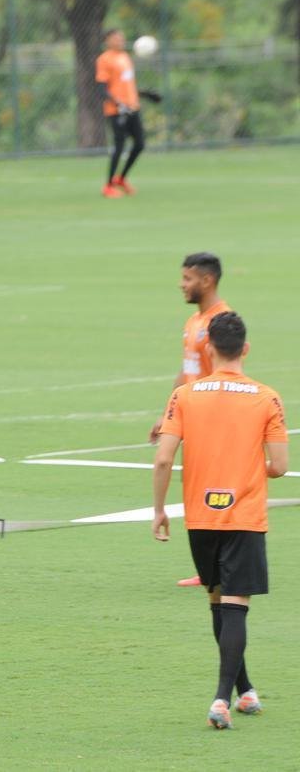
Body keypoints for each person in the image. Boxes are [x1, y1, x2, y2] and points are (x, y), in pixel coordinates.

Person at [151, 312, 287, 730]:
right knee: (236, 608)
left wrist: (159, 510)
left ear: (209, 348)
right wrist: (246, 468)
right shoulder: (267, 398)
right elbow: (280, 466)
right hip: (243, 515)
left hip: (199, 516)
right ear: (245, 349)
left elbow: (162, 457)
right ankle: (219, 699)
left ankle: (244, 691)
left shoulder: (185, 396)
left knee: (218, 601)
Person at [147, 253, 231, 587]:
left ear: (206, 280)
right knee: (196, 487)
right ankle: (210, 565)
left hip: (214, 417)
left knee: (216, 488)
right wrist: (168, 411)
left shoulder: (221, 321)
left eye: (187, 279)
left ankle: (222, 565)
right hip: (191, 413)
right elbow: (187, 371)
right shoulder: (194, 322)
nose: (182, 285)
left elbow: (228, 369)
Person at [96, 29, 148, 198]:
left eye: (122, 38)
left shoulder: (125, 57)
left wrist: (145, 94)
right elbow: (102, 89)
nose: (120, 41)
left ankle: (121, 178)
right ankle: (108, 185)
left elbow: (126, 86)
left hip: (133, 108)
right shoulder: (104, 60)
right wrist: (118, 104)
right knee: (119, 146)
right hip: (117, 111)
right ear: (107, 40)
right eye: (116, 38)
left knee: (139, 144)